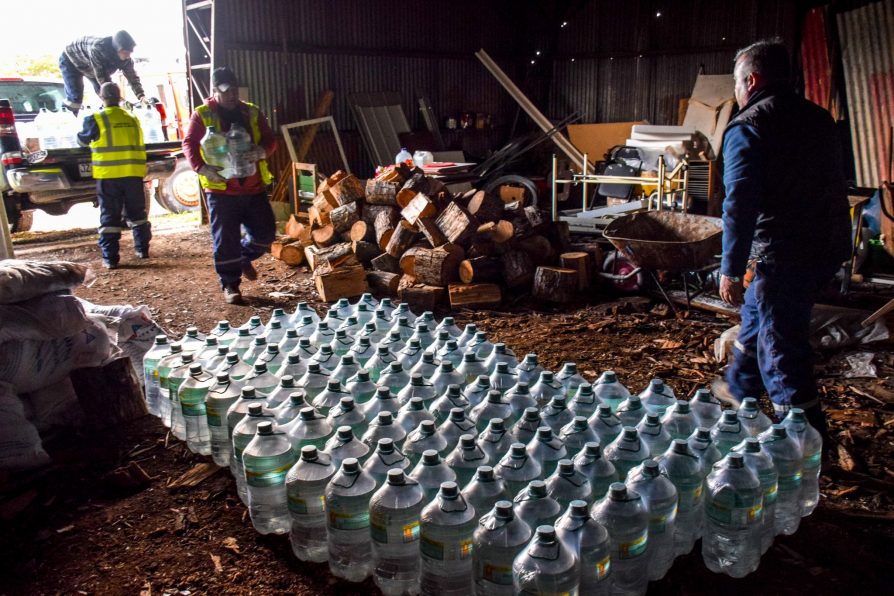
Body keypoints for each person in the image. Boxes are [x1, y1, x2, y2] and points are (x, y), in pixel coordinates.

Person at [717, 39, 851, 439]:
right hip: (827, 243)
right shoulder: (818, 117)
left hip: (784, 251)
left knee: (780, 350)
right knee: (758, 316)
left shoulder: (749, 127)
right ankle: (739, 388)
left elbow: (738, 207)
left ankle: (806, 440)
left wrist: (730, 269)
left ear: (752, 80)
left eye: (737, 84)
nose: (736, 93)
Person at [182, 66, 277, 305]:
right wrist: (201, 168)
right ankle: (230, 284)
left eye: (234, 90)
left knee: (265, 234)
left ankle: (243, 257)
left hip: (253, 187)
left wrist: (261, 151)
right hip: (222, 189)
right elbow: (189, 143)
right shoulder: (202, 114)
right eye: (226, 91)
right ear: (214, 91)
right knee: (226, 239)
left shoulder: (252, 112)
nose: (232, 95)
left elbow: (270, 139)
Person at [77, 82, 151, 269]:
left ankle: (110, 258)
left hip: (109, 175)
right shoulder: (132, 118)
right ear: (119, 97)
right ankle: (142, 249)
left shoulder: (96, 118)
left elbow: (81, 140)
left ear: (102, 98)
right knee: (138, 214)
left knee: (110, 216)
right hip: (133, 174)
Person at [60, 31, 146, 111]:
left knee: (109, 99)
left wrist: (141, 96)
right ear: (118, 49)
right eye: (126, 52)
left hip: (90, 65)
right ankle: (65, 117)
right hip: (71, 61)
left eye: (130, 53)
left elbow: (133, 78)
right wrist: (121, 101)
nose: (128, 56)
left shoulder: (126, 60)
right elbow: (104, 81)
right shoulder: (98, 49)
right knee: (75, 99)